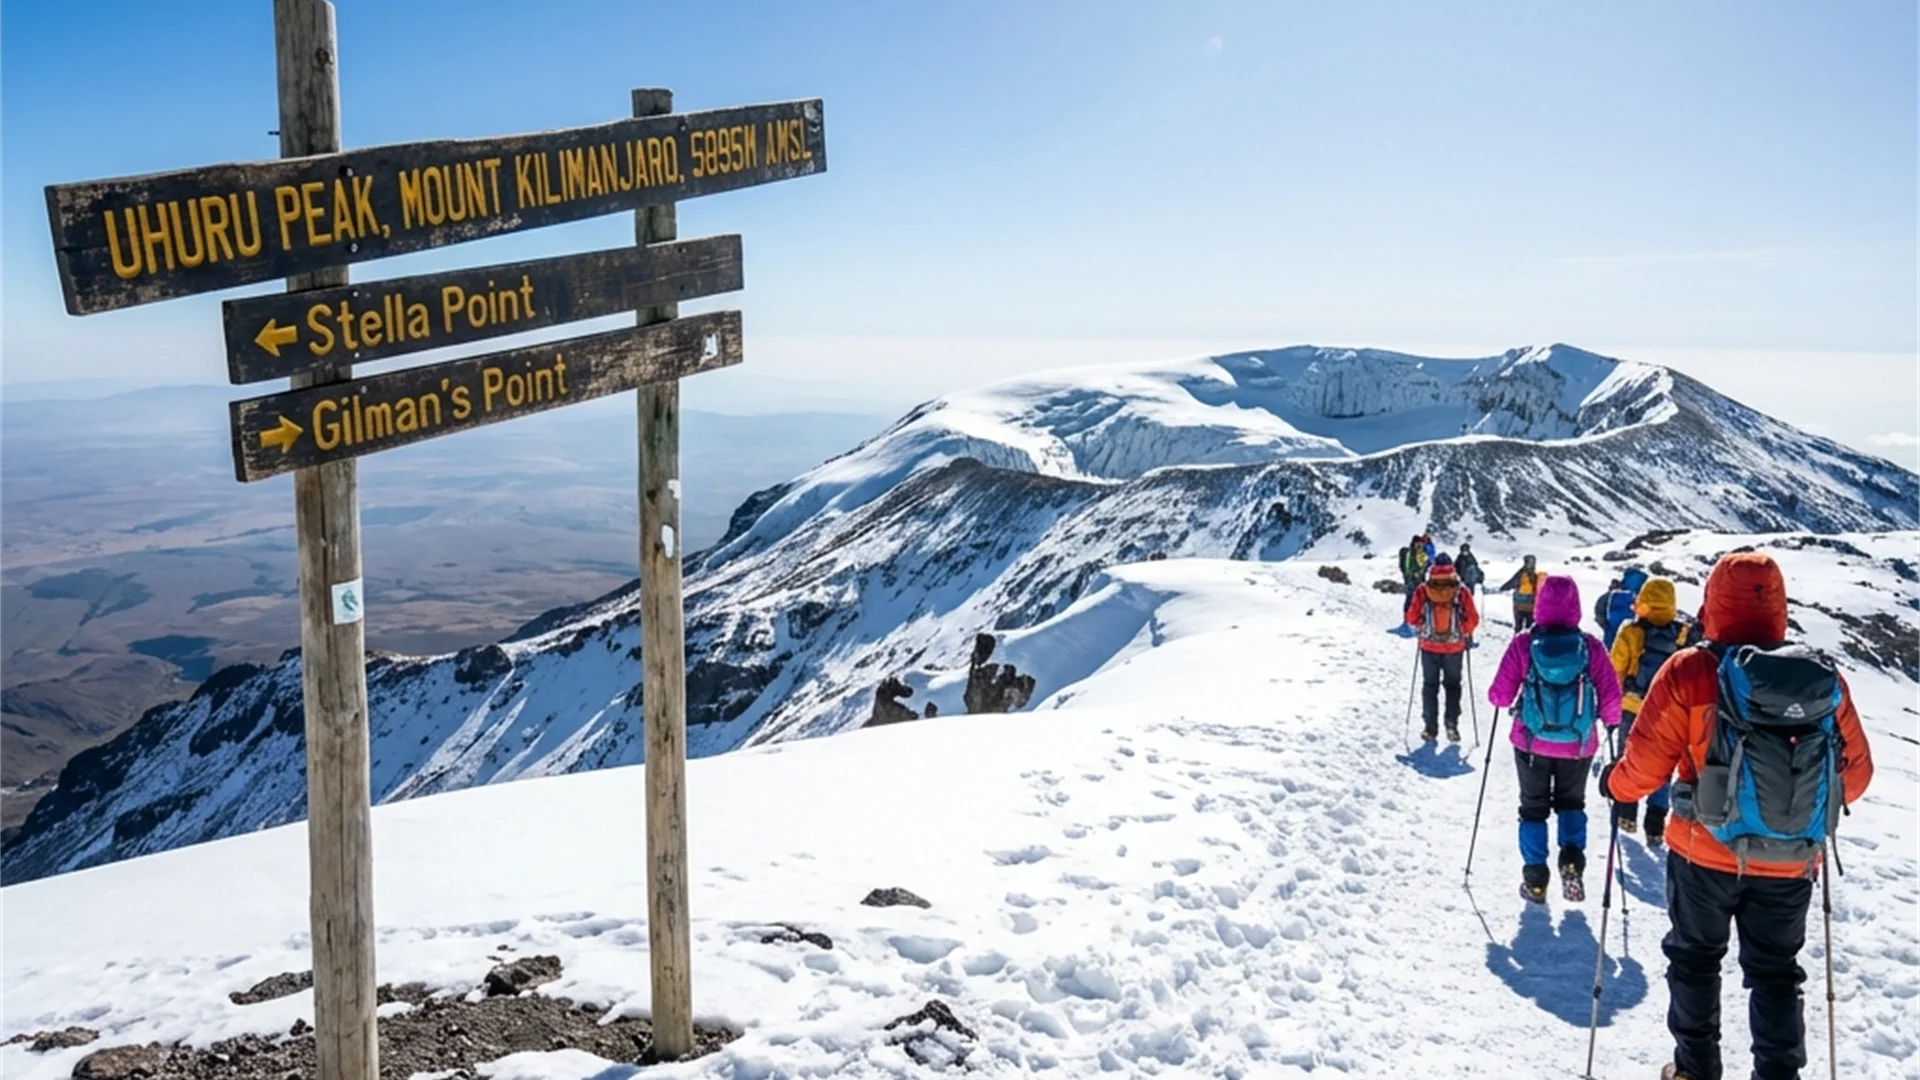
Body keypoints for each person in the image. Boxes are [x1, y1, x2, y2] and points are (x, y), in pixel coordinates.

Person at [1601, 553, 1873, 1080]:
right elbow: (1856, 775)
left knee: (1696, 959)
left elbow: (1645, 768)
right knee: (1775, 973)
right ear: (1778, 602)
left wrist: (1614, 784)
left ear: (1713, 600)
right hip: (1792, 860)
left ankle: (1693, 1069)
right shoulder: (1819, 677)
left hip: (1703, 853)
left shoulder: (1692, 669)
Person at [1486, 575, 1622, 903]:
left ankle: (1535, 881)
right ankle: (1572, 862)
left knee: (1533, 809)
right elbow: (1611, 700)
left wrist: (1499, 697)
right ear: (1576, 605)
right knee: (1571, 804)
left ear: (1540, 604)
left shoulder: (1523, 643)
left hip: (1531, 742)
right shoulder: (1589, 646)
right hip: (1577, 745)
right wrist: (1611, 724)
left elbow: (1500, 697)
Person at [1607, 575, 1693, 844]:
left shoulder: (1631, 632)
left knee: (1628, 759)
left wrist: (1610, 704)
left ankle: (1626, 812)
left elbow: (1615, 669)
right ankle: (1655, 823)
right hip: (1667, 712)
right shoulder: (1682, 635)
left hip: (1632, 707)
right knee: (1665, 765)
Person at [1405, 553, 1479, 743]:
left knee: (1430, 687)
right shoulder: (1460, 590)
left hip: (1429, 645)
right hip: (1454, 647)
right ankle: (1451, 725)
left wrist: (1424, 626)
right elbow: (1473, 619)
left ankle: (1430, 728)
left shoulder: (1424, 589)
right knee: (1453, 686)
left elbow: (1411, 618)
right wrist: (1461, 632)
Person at [1600, 567, 1649, 649]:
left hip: (1611, 643)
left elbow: (1600, 609)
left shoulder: (1614, 595)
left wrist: (1605, 625)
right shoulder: (1642, 598)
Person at [1497, 555, 1543, 632]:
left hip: (1519, 605)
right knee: (1530, 627)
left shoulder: (1520, 574)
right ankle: (1529, 642)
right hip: (1531, 605)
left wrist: (1502, 588)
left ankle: (1517, 642)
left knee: (1519, 627)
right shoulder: (1535, 576)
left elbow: (1511, 583)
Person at [1399, 534, 1431, 601]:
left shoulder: (1422, 553)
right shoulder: (1409, 554)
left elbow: (1427, 563)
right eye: (1418, 543)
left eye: (1421, 544)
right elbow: (1404, 567)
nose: (1420, 545)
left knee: (1419, 599)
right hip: (1410, 580)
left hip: (1419, 580)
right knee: (1410, 598)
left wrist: (1422, 570)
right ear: (1414, 543)